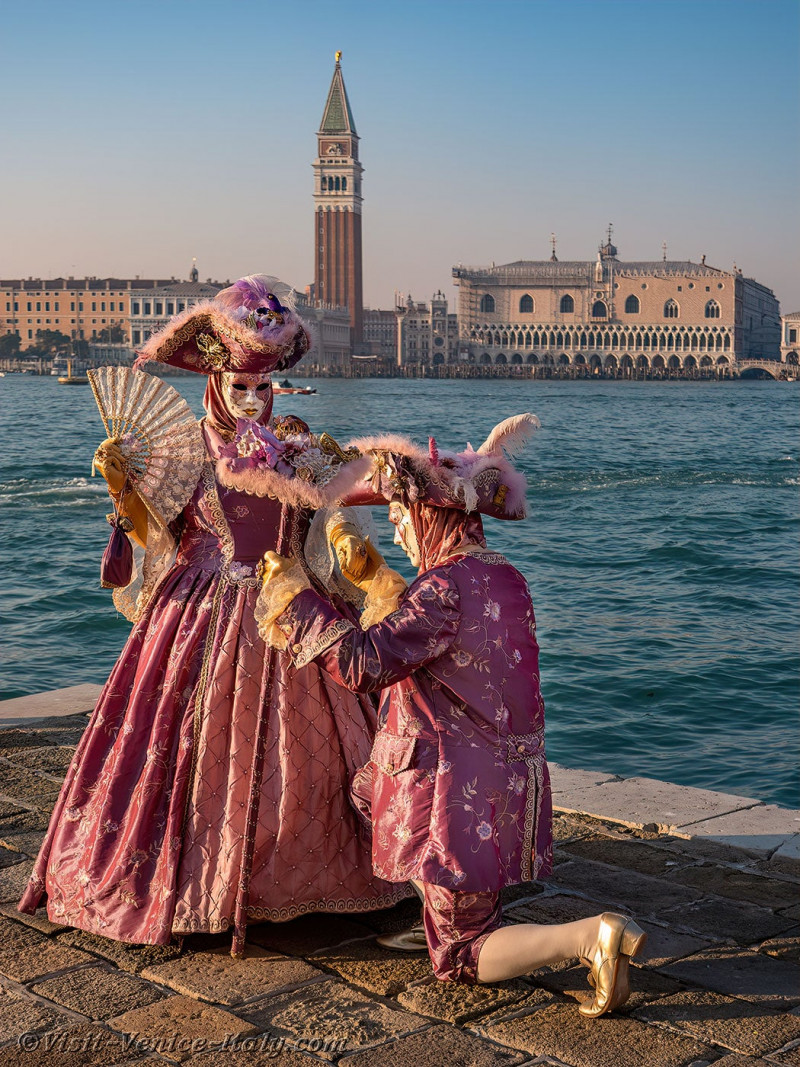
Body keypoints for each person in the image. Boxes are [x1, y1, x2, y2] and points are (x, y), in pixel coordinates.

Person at [18, 275, 408, 955]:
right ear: (216, 387)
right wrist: (122, 487)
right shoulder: (186, 453)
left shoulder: (297, 444)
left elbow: (334, 523)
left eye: (264, 388)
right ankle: (202, 879)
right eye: (240, 388)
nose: (253, 402)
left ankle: (314, 880)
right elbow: (151, 537)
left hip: (289, 608)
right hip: (200, 617)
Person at [256, 414, 647, 1016]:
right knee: (366, 790)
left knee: (461, 956)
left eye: (400, 520)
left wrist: (299, 600)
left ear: (428, 516)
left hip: (450, 797)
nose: (399, 533)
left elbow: (366, 663)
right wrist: (378, 583)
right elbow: (439, 649)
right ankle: (442, 907)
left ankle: (589, 938)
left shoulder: (441, 590)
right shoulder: (503, 578)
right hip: (504, 786)